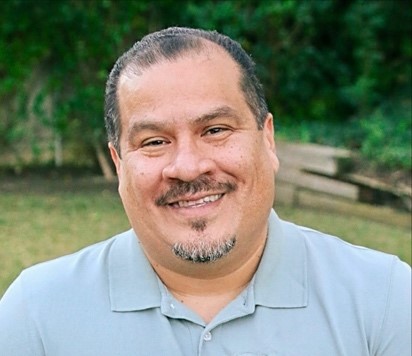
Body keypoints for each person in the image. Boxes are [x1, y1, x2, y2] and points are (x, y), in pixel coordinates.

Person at [0, 27, 410, 356]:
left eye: (215, 130)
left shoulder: (385, 301)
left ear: (267, 141)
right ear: (119, 163)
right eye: (154, 141)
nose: (188, 167)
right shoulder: (35, 315)